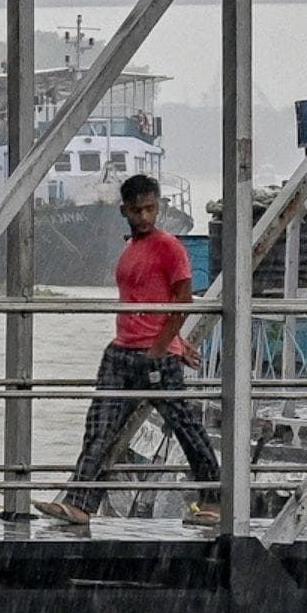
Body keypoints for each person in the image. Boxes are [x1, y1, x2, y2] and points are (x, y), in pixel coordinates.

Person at [38, 174, 221, 527]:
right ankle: (80, 503)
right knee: (100, 427)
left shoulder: (169, 247)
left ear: (159, 207)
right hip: (121, 351)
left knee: (184, 426)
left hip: (155, 356)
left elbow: (181, 301)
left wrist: (164, 346)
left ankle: (215, 500)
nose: (145, 217)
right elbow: (142, 299)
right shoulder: (130, 248)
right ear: (124, 210)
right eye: (137, 210)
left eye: (151, 209)